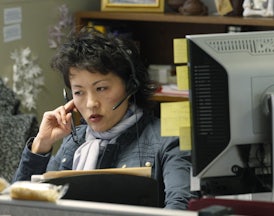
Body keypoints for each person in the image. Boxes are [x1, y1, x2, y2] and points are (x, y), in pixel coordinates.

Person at [13, 27, 198, 209]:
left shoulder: (168, 140)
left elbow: (181, 206)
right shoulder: (73, 142)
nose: (91, 103)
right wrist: (41, 145)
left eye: (101, 88)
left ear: (130, 85)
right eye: (79, 92)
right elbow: (17, 208)